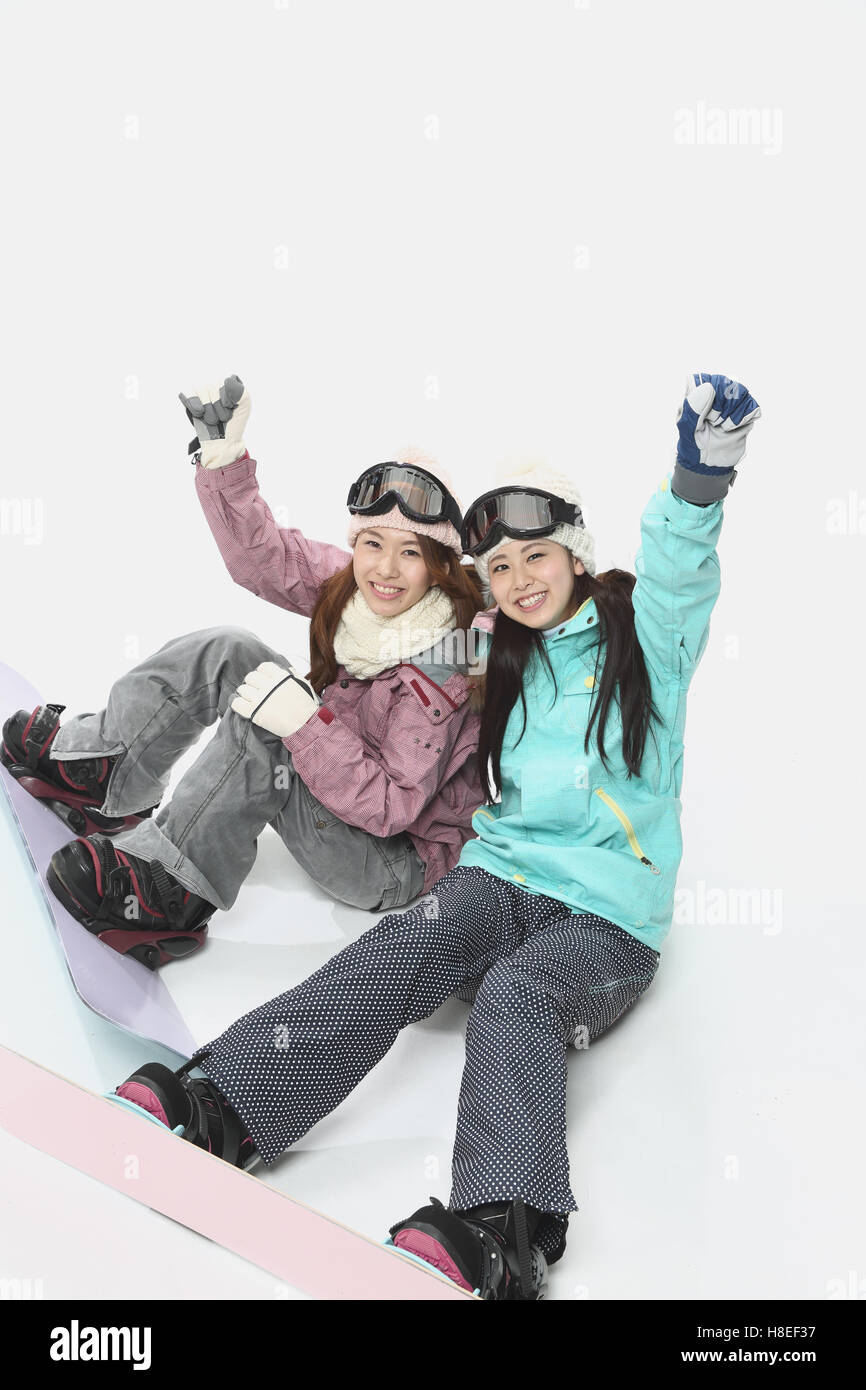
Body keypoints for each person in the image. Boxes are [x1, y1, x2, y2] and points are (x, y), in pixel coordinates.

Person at [106, 373, 761, 1299]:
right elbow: (368, 607)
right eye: (499, 568)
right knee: (407, 943)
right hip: (496, 874)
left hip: (606, 917)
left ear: (574, 554)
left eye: (536, 558)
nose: (519, 581)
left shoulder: (643, 642)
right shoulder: (486, 644)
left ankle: (502, 1229)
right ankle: (228, 1104)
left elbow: (681, 570)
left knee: (519, 995)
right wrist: (228, 472)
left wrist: (700, 478)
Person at [1, 379, 484, 968]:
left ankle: (172, 885)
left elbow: (392, 807)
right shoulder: (361, 592)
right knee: (231, 648)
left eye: (411, 552)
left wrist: (304, 726)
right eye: (373, 543)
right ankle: (105, 769)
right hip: (339, 787)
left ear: (439, 566)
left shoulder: (447, 665)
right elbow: (268, 558)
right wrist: (225, 464)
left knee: (269, 728)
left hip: (386, 859)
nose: (386, 568)